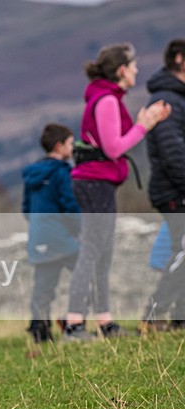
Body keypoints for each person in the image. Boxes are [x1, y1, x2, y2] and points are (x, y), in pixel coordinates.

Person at [63, 42, 171, 341]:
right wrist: (144, 126)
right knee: (92, 252)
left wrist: (143, 123)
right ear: (122, 70)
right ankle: (74, 324)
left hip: (96, 183)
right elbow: (113, 148)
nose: (137, 70)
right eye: (133, 65)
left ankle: (104, 321)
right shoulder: (107, 100)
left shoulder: (104, 97)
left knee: (102, 252)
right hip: (95, 183)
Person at [140, 39, 185, 333]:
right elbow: (173, 154)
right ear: (180, 59)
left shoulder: (177, 99)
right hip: (174, 190)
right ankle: (153, 316)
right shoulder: (167, 102)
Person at [22, 123, 81, 343]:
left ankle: (40, 330)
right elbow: (70, 205)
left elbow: (26, 209)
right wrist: (80, 229)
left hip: (39, 237)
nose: (73, 148)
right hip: (62, 238)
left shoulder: (32, 174)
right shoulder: (62, 172)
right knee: (85, 275)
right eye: (70, 143)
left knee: (43, 288)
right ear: (59, 146)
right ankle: (74, 322)